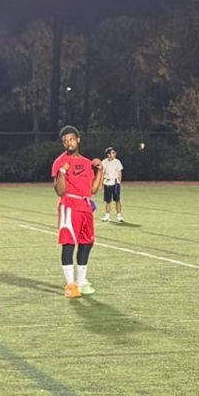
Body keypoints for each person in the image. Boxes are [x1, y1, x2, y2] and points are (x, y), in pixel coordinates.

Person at [53, 126, 100, 297]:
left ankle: (81, 281)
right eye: (65, 141)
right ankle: (70, 285)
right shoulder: (60, 162)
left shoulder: (87, 163)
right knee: (69, 243)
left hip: (85, 207)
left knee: (87, 243)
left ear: (78, 139)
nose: (68, 143)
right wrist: (63, 171)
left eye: (71, 139)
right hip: (69, 205)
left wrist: (100, 170)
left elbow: (93, 190)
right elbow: (59, 190)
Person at [100, 146, 126, 223]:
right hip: (107, 183)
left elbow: (119, 172)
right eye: (112, 153)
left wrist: (119, 182)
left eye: (114, 153)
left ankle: (119, 216)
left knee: (117, 200)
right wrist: (101, 183)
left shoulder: (117, 162)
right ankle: (107, 216)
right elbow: (102, 173)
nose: (114, 154)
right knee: (108, 201)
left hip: (115, 183)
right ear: (108, 154)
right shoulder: (104, 162)